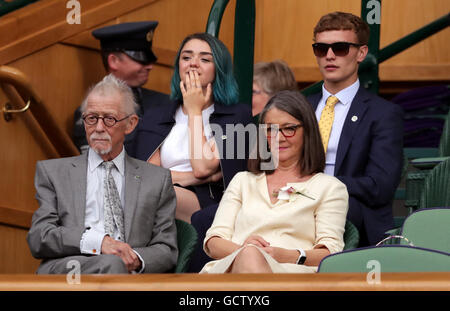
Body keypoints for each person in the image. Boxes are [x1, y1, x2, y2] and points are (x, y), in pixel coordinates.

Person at [27, 74, 178, 274]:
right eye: (91, 118)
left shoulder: (157, 180)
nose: (98, 128)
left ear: (131, 124)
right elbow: (39, 237)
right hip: (69, 272)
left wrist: (134, 260)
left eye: (109, 119)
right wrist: (98, 242)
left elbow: (166, 249)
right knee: (112, 264)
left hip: (128, 276)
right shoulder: (54, 173)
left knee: (115, 265)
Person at [200, 90, 348, 273]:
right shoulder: (243, 181)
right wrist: (245, 252)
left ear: (307, 131)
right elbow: (213, 242)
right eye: (270, 129)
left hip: (291, 275)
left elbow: (330, 253)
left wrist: (284, 255)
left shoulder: (330, 188)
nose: (278, 137)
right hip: (232, 271)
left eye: (289, 128)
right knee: (250, 256)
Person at [134, 32, 253, 223]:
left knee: (153, 195)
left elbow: (202, 168)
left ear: (219, 69)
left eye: (205, 59)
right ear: (178, 66)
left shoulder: (238, 115)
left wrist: (194, 110)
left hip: (211, 201)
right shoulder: (156, 115)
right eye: (186, 57)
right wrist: (194, 177)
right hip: (159, 195)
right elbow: (148, 176)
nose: (193, 63)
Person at [307, 12, 404, 246]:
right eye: (321, 48)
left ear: (361, 53)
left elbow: (380, 187)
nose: (329, 56)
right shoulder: (300, 107)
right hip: (292, 202)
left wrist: (318, 185)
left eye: (340, 48)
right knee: (209, 217)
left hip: (350, 211)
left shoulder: (383, 114)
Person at [73, 21, 171, 154]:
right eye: (140, 59)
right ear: (114, 61)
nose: (150, 66)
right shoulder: (90, 113)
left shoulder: (166, 103)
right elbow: (101, 167)